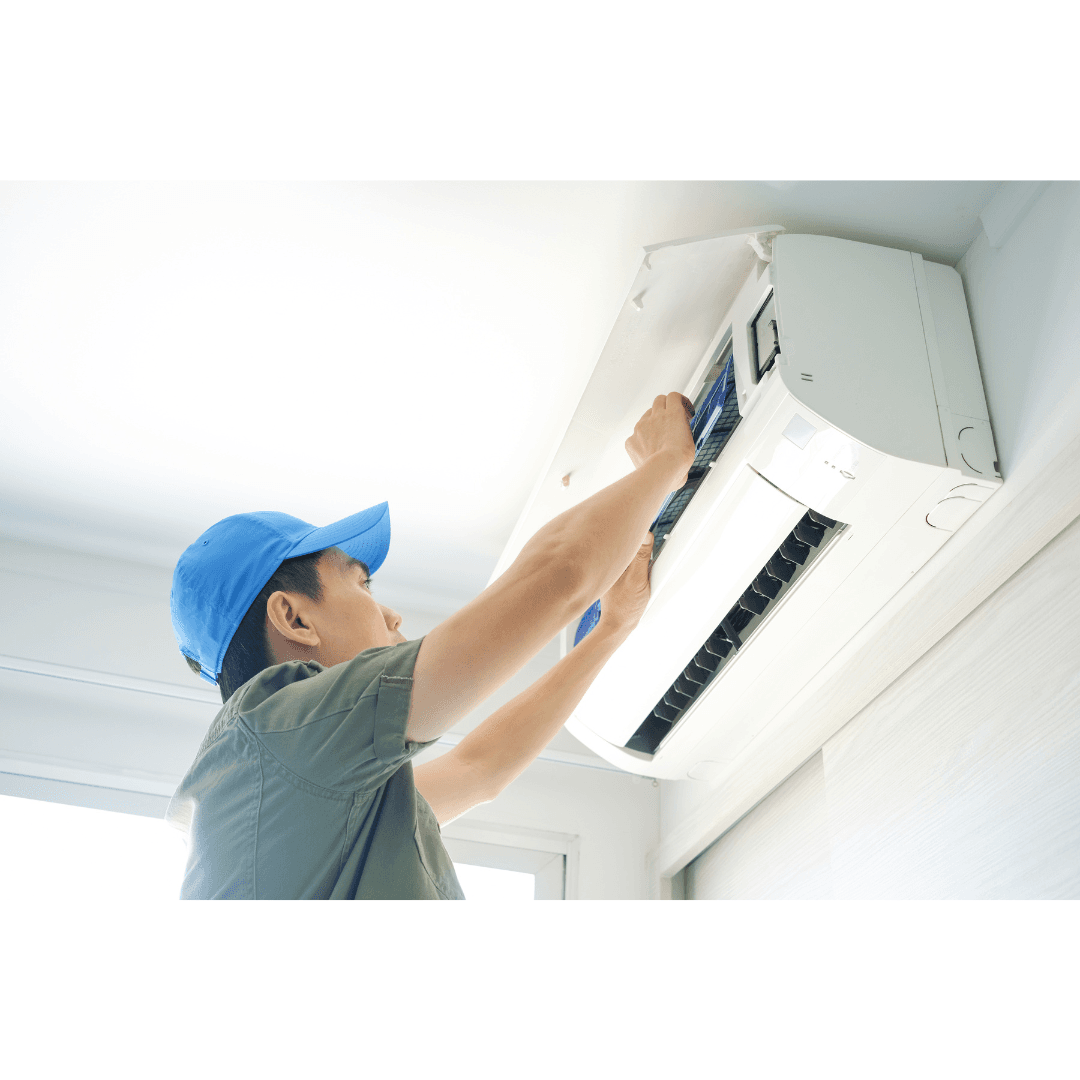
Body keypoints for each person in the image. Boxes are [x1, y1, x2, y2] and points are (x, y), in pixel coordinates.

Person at [165, 392, 696, 898]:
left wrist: (611, 630)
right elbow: (556, 577)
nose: (390, 613)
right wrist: (665, 464)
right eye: (361, 583)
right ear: (293, 617)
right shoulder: (280, 731)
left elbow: (479, 769)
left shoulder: (296, 789)